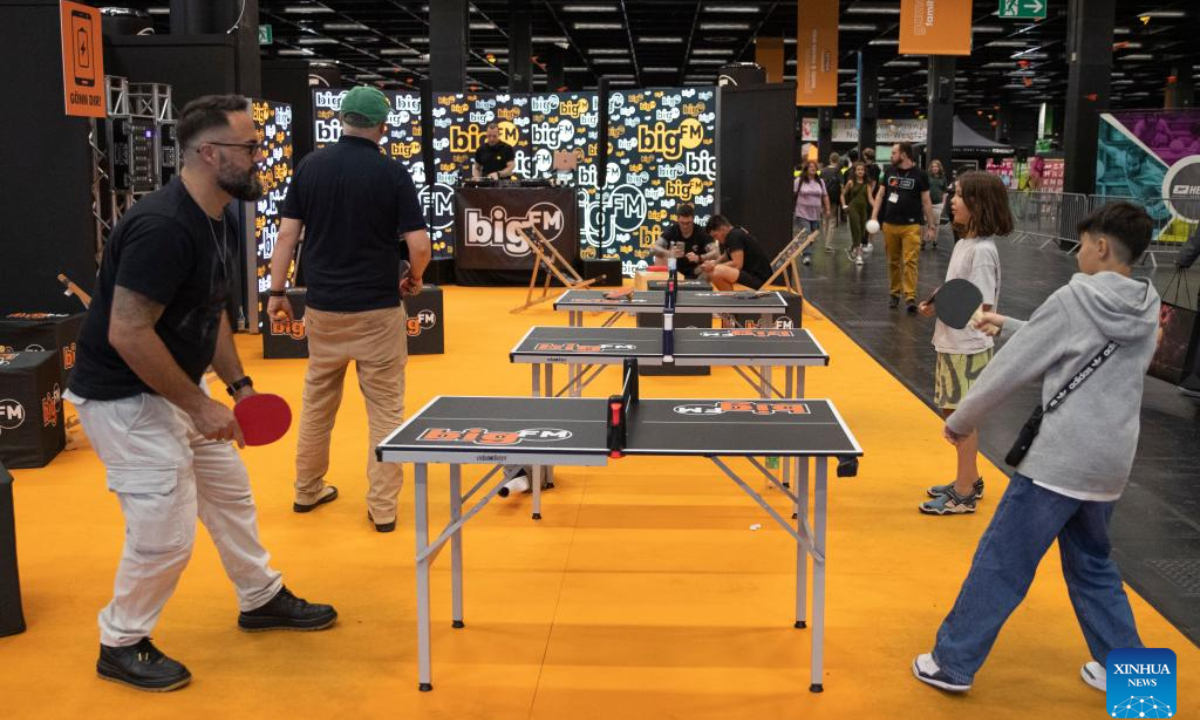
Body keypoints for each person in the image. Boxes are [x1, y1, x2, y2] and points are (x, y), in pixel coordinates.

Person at [65, 95, 337, 692]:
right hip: (124, 400)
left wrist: (236, 387)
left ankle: (260, 597)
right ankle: (122, 640)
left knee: (230, 495)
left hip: (181, 388)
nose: (260, 157)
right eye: (250, 147)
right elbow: (127, 331)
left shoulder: (216, 218)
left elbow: (207, 311)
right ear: (210, 154)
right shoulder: (163, 227)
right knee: (164, 531)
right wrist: (197, 405)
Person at [913, 201, 1161, 694]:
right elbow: (1070, 343)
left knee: (1003, 560)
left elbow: (1011, 370)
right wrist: (1005, 324)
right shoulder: (1146, 302)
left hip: (1058, 462)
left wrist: (962, 421)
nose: (1077, 255)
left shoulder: (1077, 298)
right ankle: (1135, 681)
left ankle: (951, 663)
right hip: (1109, 464)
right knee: (1094, 567)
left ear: (1102, 246)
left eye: (1083, 245)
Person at [270, 86, 432, 533]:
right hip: (378, 310)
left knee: (317, 402)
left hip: (323, 308)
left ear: (341, 119)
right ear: (383, 127)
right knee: (385, 411)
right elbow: (419, 245)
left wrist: (276, 293)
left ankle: (307, 489)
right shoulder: (392, 174)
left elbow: (286, 237)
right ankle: (382, 509)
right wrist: (413, 279)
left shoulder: (310, 167)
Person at [916, 172, 1009, 514]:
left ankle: (964, 492)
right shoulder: (963, 244)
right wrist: (934, 302)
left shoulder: (983, 252)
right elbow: (956, 287)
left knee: (961, 419)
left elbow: (981, 306)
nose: (951, 201)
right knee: (953, 413)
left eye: (957, 196)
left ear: (978, 204)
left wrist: (949, 308)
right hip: (951, 341)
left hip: (968, 347)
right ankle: (969, 476)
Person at [870, 142, 937, 313]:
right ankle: (894, 293)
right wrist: (874, 216)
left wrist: (931, 225)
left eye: (894, 153)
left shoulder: (921, 175)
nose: (891, 156)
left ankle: (910, 297)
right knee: (893, 261)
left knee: (910, 261)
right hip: (889, 224)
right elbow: (880, 194)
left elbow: (926, 201)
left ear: (905, 155)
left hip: (912, 225)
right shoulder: (889, 172)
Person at [701, 215, 774, 291]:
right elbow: (727, 254)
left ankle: (730, 299)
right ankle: (729, 297)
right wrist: (714, 262)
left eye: (715, 236)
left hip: (760, 280)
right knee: (714, 269)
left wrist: (714, 266)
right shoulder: (735, 231)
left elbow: (737, 264)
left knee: (715, 271)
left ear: (722, 229)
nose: (716, 239)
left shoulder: (734, 236)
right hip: (756, 275)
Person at [652, 203, 717, 279]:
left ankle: (702, 287)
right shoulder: (672, 231)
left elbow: (716, 252)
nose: (685, 226)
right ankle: (661, 285)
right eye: (682, 223)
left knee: (711, 263)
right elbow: (653, 248)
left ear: (693, 219)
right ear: (678, 219)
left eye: (688, 223)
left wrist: (699, 257)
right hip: (675, 269)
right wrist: (669, 253)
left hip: (697, 271)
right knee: (659, 254)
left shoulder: (701, 233)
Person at [793, 160, 831, 265]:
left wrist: (827, 209)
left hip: (815, 213)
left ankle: (801, 245)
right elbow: (793, 194)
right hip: (802, 212)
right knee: (807, 233)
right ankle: (807, 256)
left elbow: (825, 196)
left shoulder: (820, 181)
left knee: (812, 236)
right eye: (810, 167)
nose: (813, 168)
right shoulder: (799, 181)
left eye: (814, 167)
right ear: (806, 169)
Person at [843, 161, 874, 267]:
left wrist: (876, 208)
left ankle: (853, 248)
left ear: (865, 172)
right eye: (858, 170)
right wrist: (844, 205)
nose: (860, 171)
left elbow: (870, 199)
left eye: (862, 170)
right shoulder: (851, 182)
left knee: (862, 232)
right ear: (855, 171)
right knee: (856, 228)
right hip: (853, 208)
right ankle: (859, 255)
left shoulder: (867, 185)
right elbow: (842, 195)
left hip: (863, 209)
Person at [821, 153, 844, 250]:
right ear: (838, 160)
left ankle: (825, 240)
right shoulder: (838, 171)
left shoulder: (823, 171)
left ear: (830, 159)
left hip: (824, 198)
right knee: (832, 220)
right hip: (834, 199)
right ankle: (828, 243)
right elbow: (842, 186)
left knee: (825, 220)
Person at [926, 159, 949, 250]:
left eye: (936, 166)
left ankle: (934, 241)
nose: (935, 168)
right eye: (933, 166)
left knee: (936, 223)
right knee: (925, 222)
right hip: (927, 203)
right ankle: (923, 240)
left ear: (939, 168)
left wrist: (943, 203)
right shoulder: (927, 177)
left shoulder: (943, 178)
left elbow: (944, 192)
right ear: (931, 168)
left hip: (938, 203)